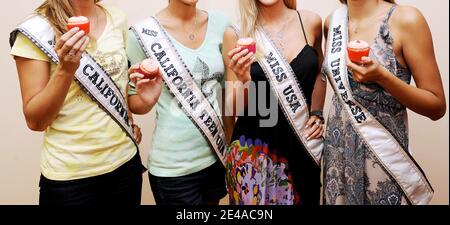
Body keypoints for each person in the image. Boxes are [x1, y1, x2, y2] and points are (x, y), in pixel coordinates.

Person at [10, 0, 143, 205]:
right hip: (71, 179)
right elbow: (35, 122)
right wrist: (65, 69)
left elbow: (120, 82)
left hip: (126, 164)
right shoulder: (36, 30)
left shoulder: (117, 17)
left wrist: (128, 119)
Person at [322, 0, 446, 205]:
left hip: (382, 158)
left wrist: (382, 77)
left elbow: (436, 105)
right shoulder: (332, 22)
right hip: (338, 156)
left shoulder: (406, 20)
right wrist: (316, 114)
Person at [126, 0, 230, 205]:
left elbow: (228, 95)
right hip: (173, 170)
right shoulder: (143, 34)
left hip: (215, 158)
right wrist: (148, 100)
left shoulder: (221, 24)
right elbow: (135, 103)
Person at [223, 0, 326, 205]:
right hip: (254, 153)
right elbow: (231, 109)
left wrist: (317, 113)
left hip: (301, 147)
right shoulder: (235, 33)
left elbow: (319, 74)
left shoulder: (311, 22)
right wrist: (244, 79)